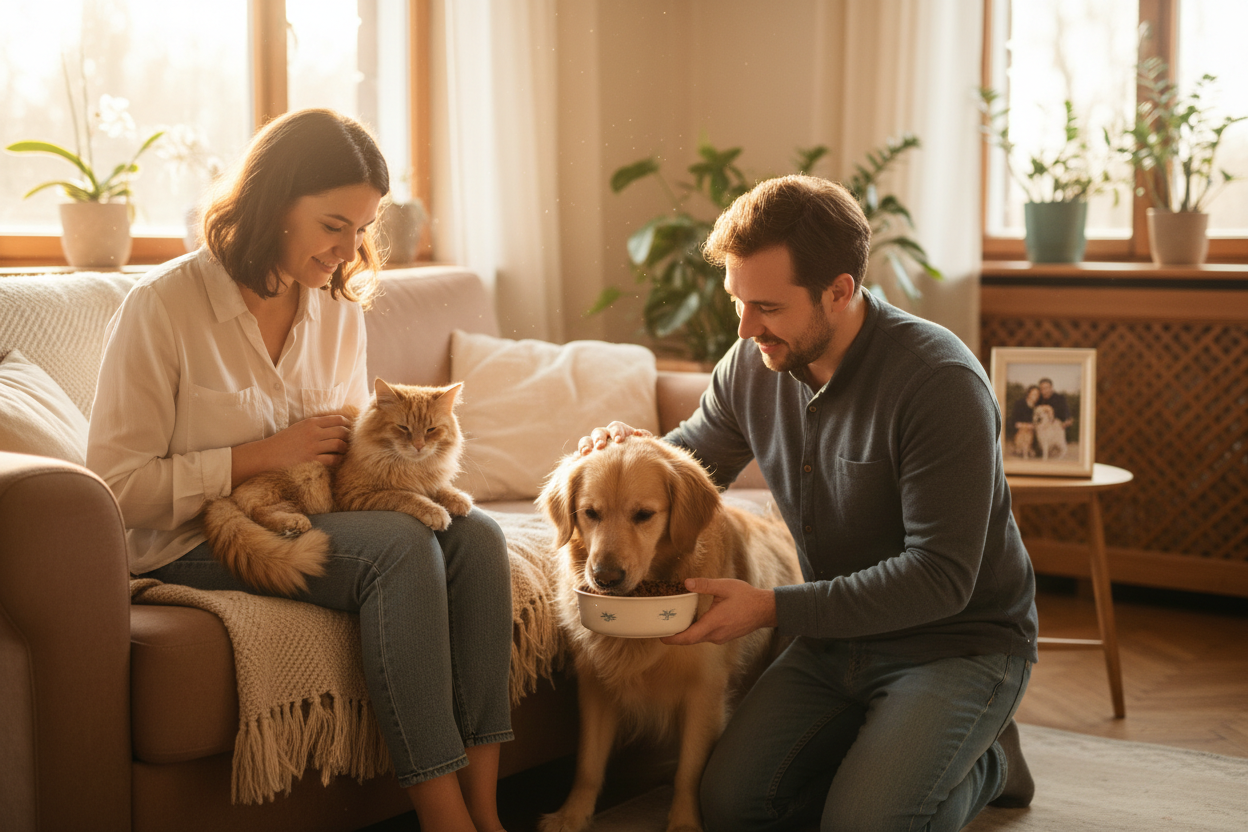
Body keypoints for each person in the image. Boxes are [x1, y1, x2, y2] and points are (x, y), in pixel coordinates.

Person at [86, 109, 513, 832]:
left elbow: (348, 455)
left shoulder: (338, 309)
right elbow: (116, 489)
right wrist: (261, 455)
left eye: (363, 229)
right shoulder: (161, 309)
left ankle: (488, 812)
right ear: (273, 203)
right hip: (187, 541)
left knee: (478, 538)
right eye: (333, 225)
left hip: (310, 511)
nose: (350, 250)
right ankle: (447, 823)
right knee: (403, 551)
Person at [580, 175, 1038, 831]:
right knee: (731, 806)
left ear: (840, 291)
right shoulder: (751, 365)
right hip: (836, 638)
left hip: (956, 643)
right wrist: (629, 454)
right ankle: (896, 749)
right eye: (737, 300)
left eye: (765, 305)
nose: (744, 327)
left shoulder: (940, 383)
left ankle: (987, 758)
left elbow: (942, 579)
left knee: (867, 824)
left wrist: (769, 607)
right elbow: (691, 463)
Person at [1010, 385, 1041, 457]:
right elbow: (1014, 422)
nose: (1036, 396)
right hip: (1020, 432)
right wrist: (1027, 425)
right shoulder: (1020, 404)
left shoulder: (1038, 407)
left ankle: (1031, 449)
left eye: (1037, 394)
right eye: (1033, 394)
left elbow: (1039, 423)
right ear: (1028, 394)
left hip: (1033, 434)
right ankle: (1019, 449)